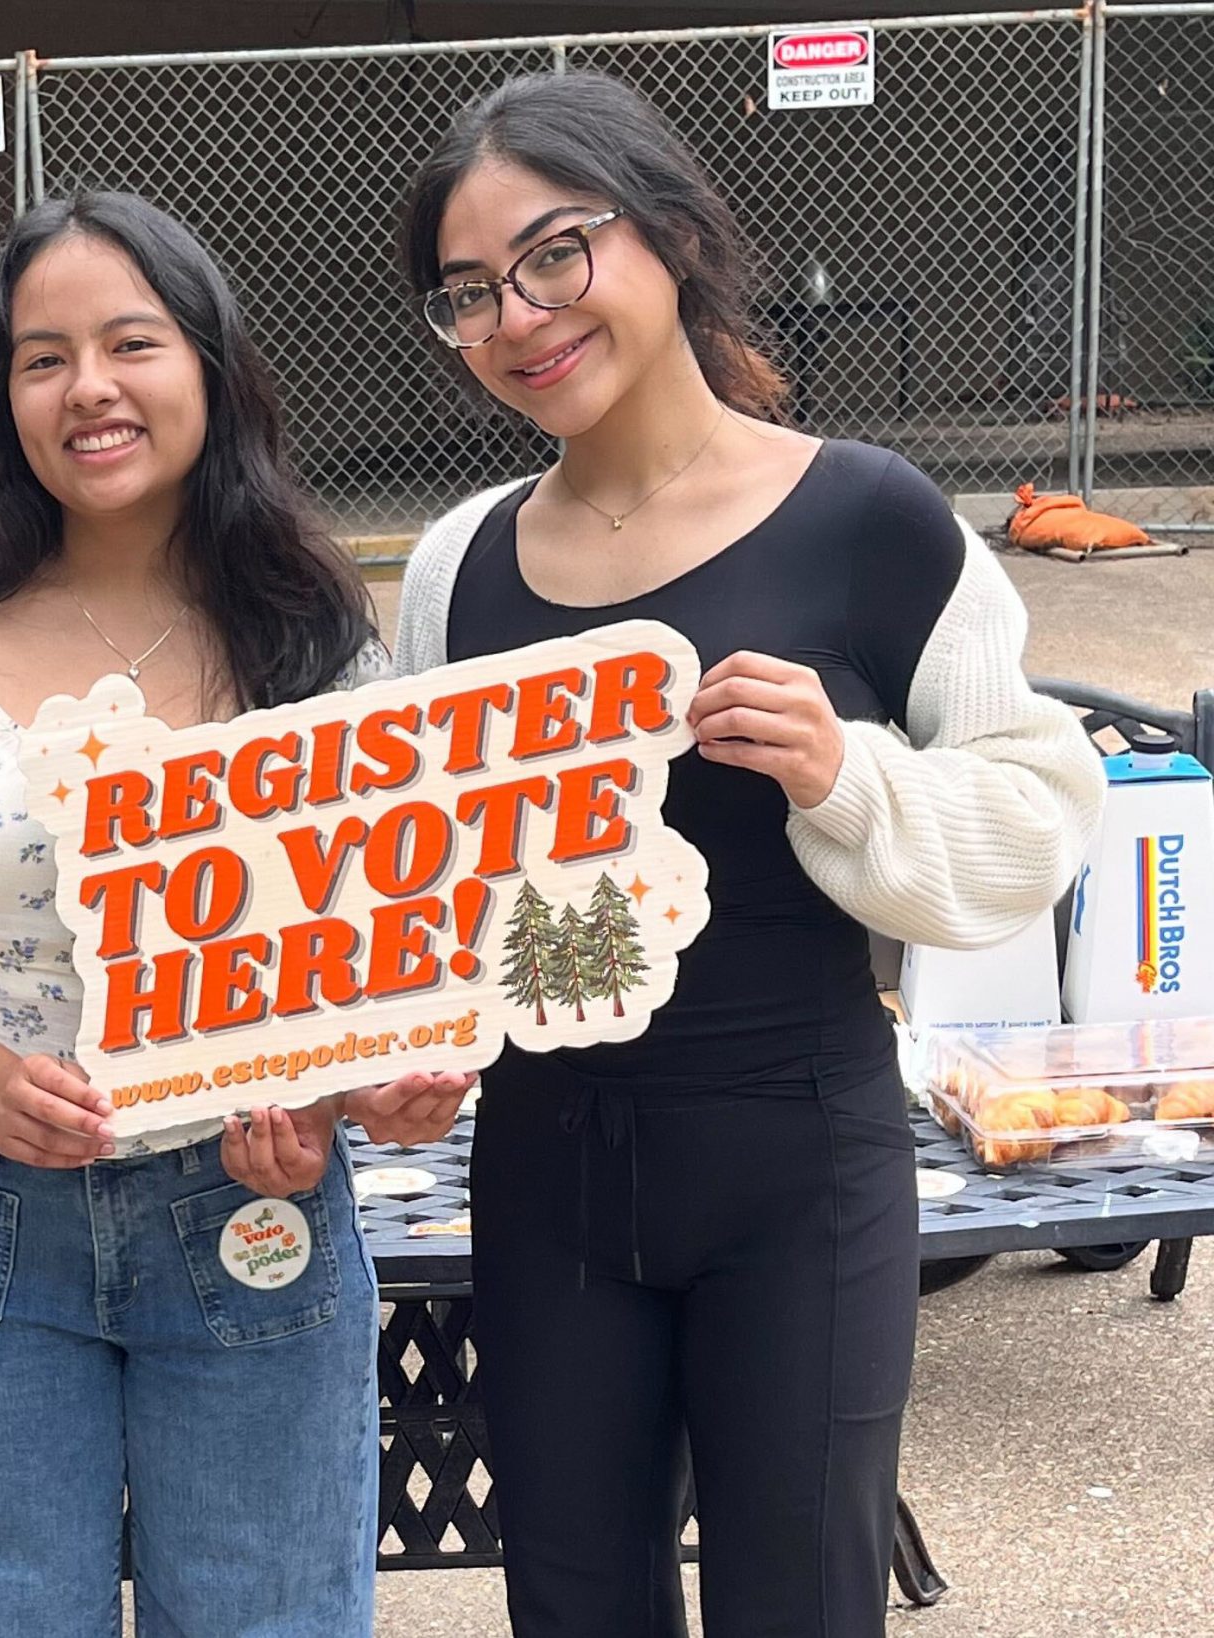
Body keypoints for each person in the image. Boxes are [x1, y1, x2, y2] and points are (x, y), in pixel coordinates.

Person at [394, 72, 1105, 1636]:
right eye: (468, 294)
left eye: (553, 253)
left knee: (801, 1595)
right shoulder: (458, 566)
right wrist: (392, 1043)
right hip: (545, 1161)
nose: (518, 317)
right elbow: (417, 878)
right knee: (576, 1600)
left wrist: (847, 773)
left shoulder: (869, 519)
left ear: (665, 230)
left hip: (800, 1156)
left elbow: (1044, 820)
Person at [0, 191, 470, 1636]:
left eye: (129, 342)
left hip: (253, 1207)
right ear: (4, 395)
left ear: (209, 366)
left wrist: (372, 1087)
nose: (87, 387)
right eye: (43, 356)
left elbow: (377, 965)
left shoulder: (313, 635)